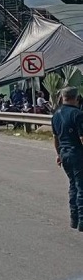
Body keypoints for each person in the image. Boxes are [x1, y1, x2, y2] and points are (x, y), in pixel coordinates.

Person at [52, 87, 83, 231]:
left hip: (64, 153)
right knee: (81, 187)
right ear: (76, 98)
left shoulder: (56, 114)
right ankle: (82, 220)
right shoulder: (77, 114)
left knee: (73, 185)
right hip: (77, 153)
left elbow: (55, 138)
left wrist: (59, 154)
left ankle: (74, 218)